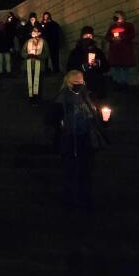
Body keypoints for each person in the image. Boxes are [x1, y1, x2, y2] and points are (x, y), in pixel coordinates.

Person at [46, 71, 108, 212]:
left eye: (81, 82)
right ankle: (70, 201)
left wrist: (105, 119)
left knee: (86, 173)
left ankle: (85, 201)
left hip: (87, 140)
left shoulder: (89, 97)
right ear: (68, 83)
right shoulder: (60, 99)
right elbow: (50, 120)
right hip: (68, 140)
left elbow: (98, 118)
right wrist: (60, 125)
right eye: (76, 83)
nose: (79, 85)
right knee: (70, 172)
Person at [66, 26, 109, 101]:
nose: (88, 38)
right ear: (81, 37)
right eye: (85, 36)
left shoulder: (98, 51)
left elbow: (106, 67)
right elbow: (69, 68)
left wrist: (98, 64)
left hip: (96, 86)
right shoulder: (75, 52)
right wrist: (82, 67)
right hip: (81, 86)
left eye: (90, 36)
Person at [104, 10, 136, 89]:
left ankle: (124, 82)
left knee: (125, 67)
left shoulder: (129, 25)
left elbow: (132, 35)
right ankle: (118, 82)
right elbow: (107, 36)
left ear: (122, 16)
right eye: (115, 16)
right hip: (115, 51)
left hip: (125, 50)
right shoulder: (112, 26)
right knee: (116, 67)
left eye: (118, 15)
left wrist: (123, 37)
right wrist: (112, 38)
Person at [21, 26, 50, 103]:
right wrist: (28, 55)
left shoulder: (43, 41)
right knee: (30, 82)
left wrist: (38, 56)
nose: (34, 32)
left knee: (37, 82)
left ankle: (37, 98)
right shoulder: (28, 42)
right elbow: (23, 52)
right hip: (29, 65)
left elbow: (46, 53)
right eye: (33, 31)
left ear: (39, 33)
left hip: (39, 65)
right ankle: (31, 98)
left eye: (36, 31)